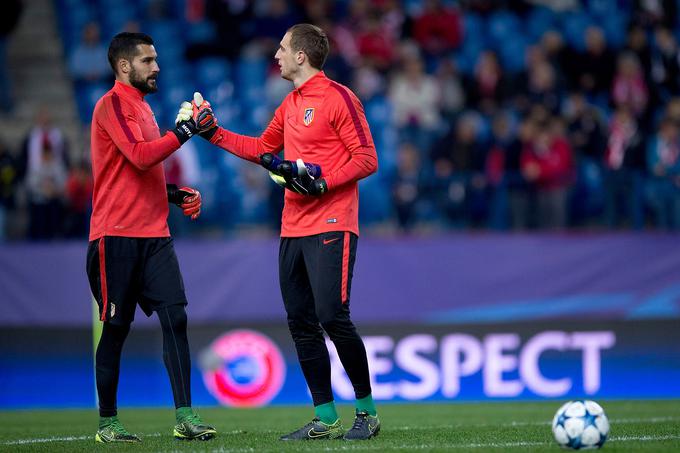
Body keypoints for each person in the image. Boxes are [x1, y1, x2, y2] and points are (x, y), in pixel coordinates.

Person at [185, 23, 380, 440]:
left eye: (282, 49)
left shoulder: (339, 98)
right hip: (292, 227)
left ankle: (367, 412)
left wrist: (324, 182)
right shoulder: (290, 103)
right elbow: (263, 149)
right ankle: (325, 418)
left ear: (301, 56)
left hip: (332, 222)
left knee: (333, 316)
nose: (275, 56)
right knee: (301, 322)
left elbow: (367, 158)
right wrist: (212, 132)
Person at [86, 32, 216, 443]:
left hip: (155, 234)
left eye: (156, 59)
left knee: (175, 318)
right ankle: (107, 423)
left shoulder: (143, 108)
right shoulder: (111, 105)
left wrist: (175, 195)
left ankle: (185, 417)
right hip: (115, 236)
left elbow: (141, 174)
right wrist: (185, 130)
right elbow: (141, 157)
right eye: (147, 60)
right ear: (125, 66)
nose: (156, 66)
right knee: (117, 327)